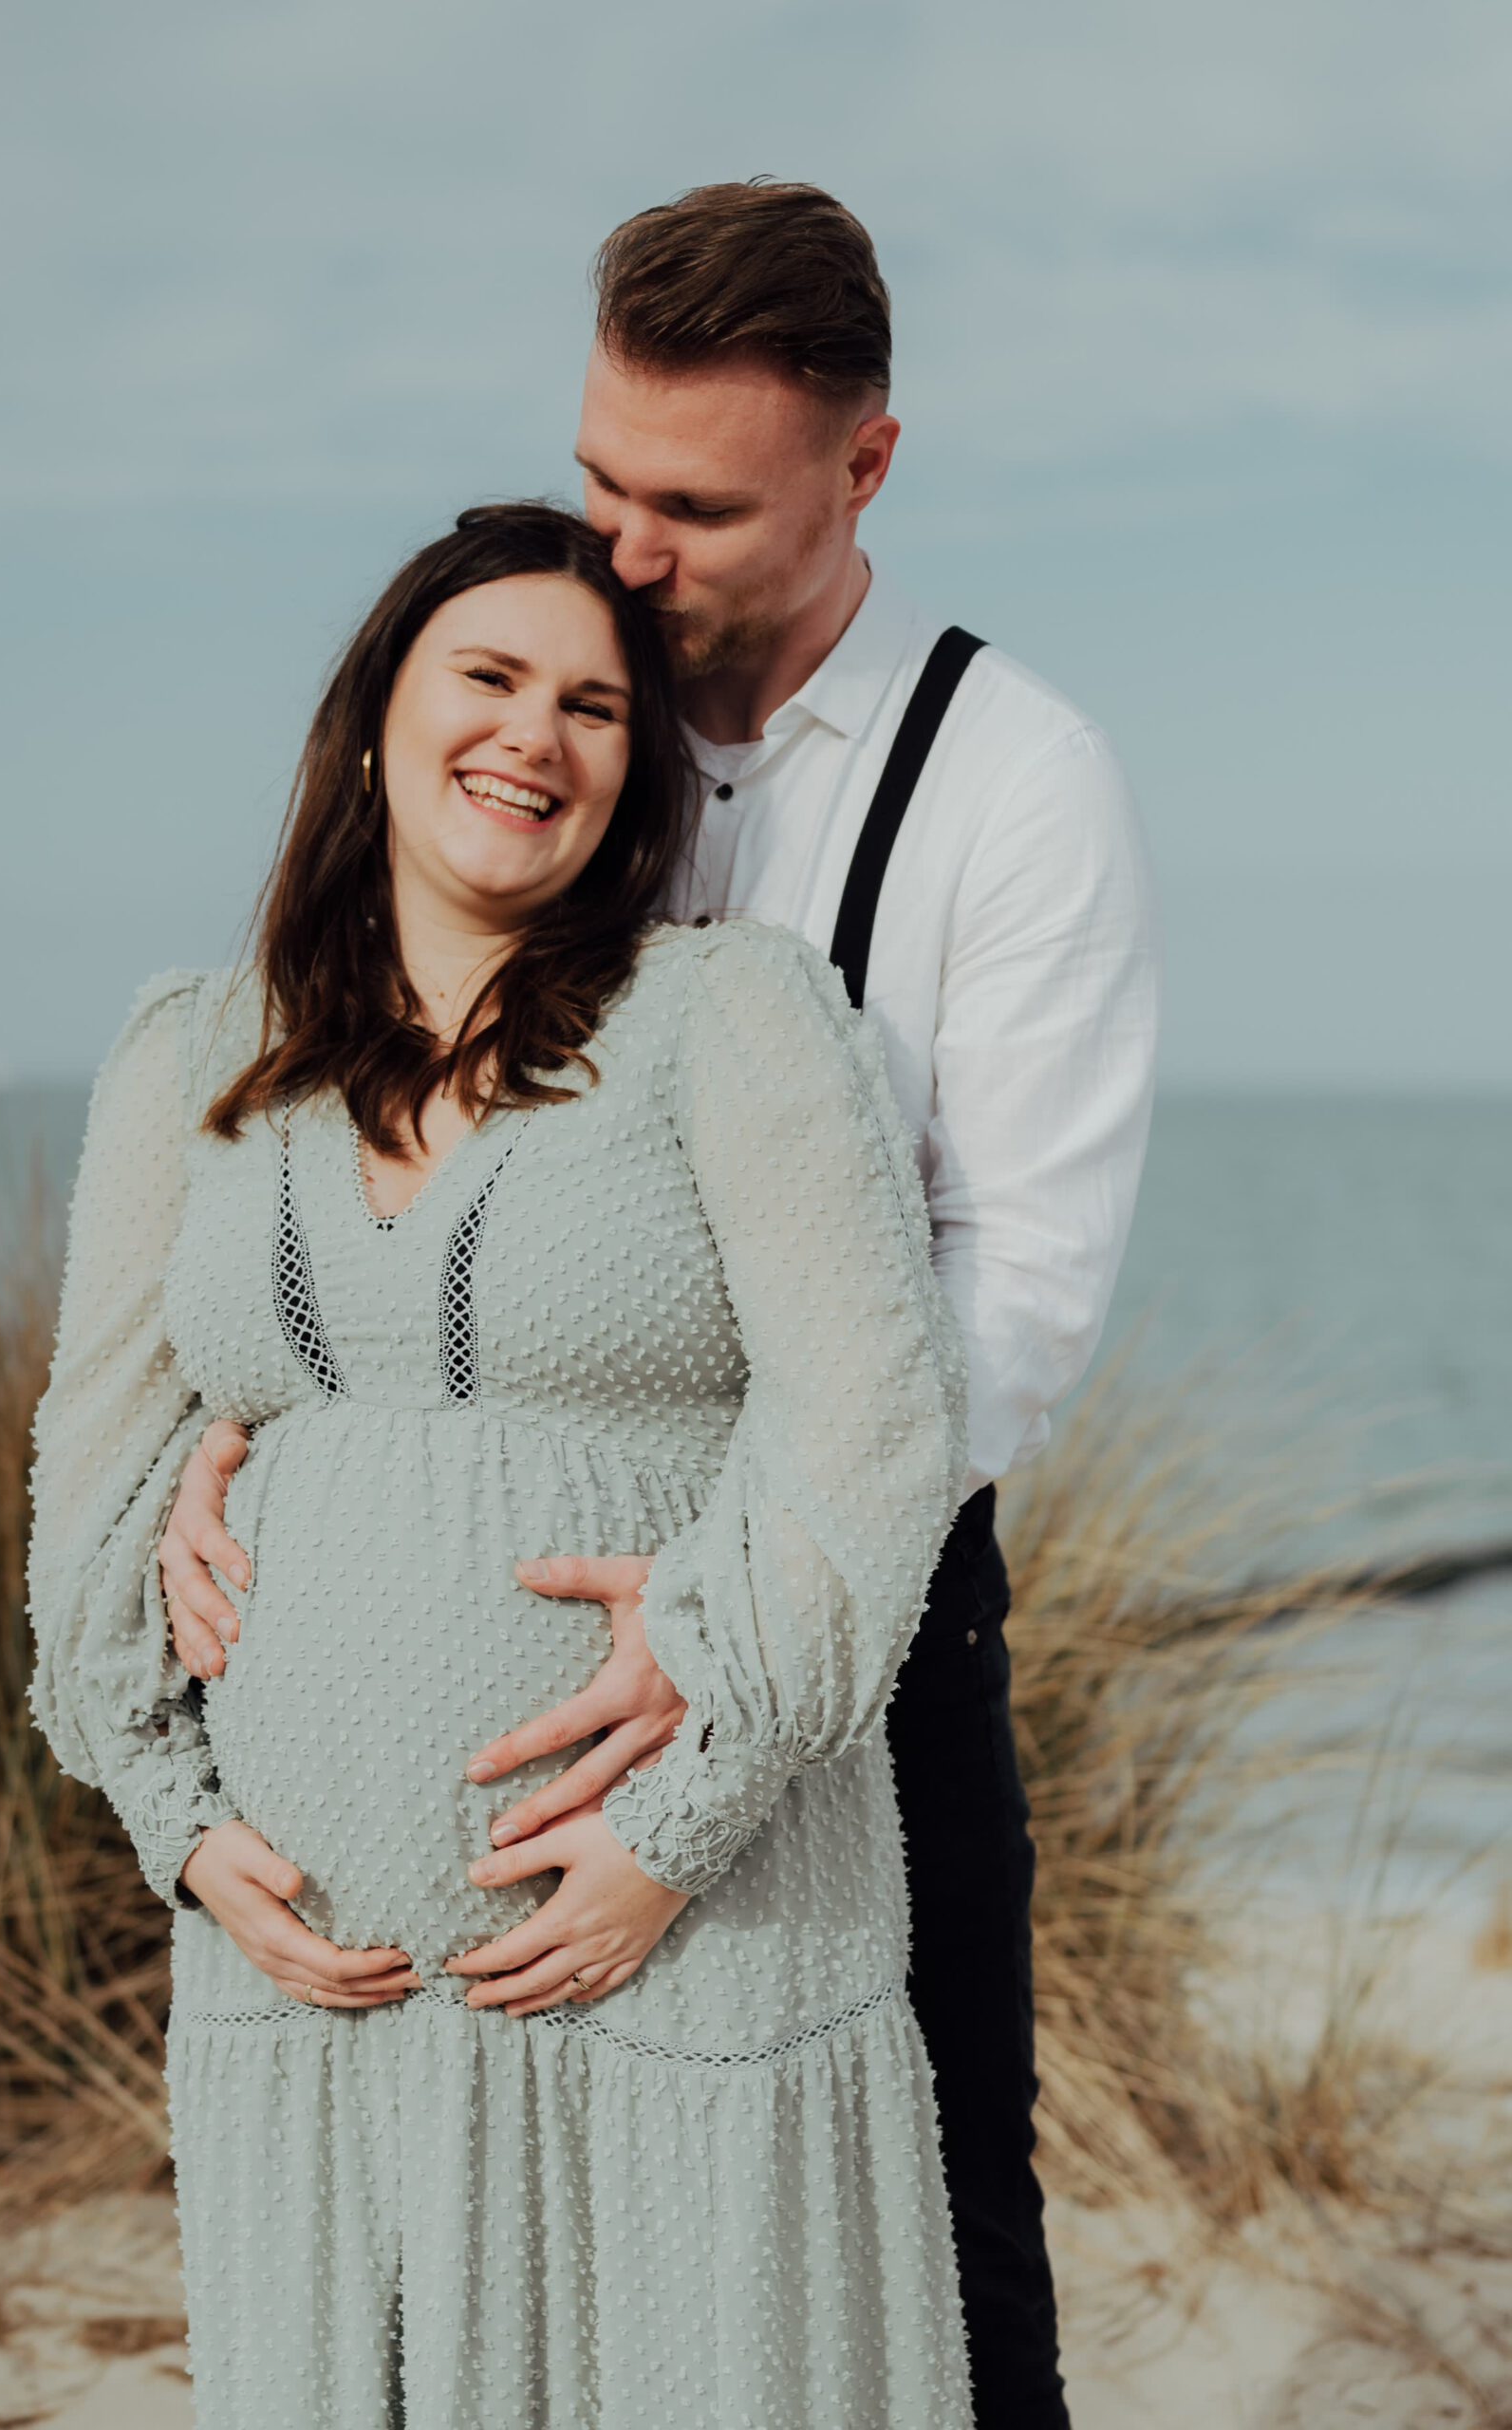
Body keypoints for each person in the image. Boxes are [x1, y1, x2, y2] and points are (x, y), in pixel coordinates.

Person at [159, 184, 1161, 2428]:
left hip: (862, 1604)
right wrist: (271, 1426)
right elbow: (366, 1128)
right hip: (472, 1663)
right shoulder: (543, 697)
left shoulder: (1012, 792)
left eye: (693, 508)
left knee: (924, 2178)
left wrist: (711, 1612)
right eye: (602, 478)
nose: (625, 551)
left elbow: (1014, 1292)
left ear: (863, 468)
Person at [27, 499, 976, 2427]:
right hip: (315, 1984)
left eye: (593, 708)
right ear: (375, 709)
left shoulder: (730, 1016)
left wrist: (668, 1833)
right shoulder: (189, 1054)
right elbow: (95, 1460)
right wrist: (174, 1820)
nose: (531, 734)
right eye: (486, 677)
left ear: (637, 777)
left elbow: (866, 1433)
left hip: (678, 1938)